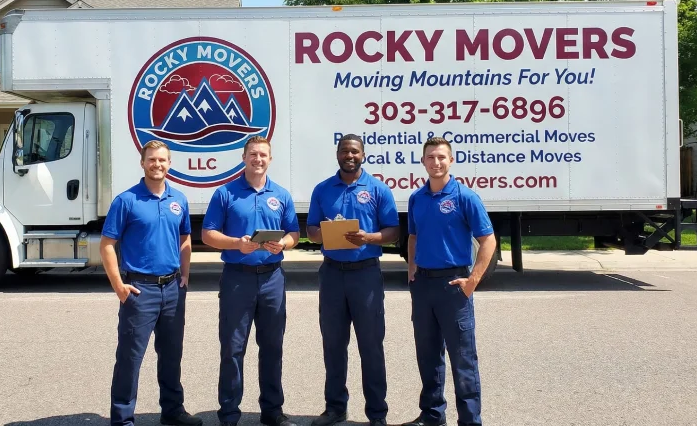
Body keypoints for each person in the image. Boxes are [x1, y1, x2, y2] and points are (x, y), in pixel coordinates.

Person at [100, 140, 202, 426]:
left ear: (169, 164)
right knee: (130, 359)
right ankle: (122, 419)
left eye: (162, 160)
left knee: (171, 355)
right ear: (142, 163)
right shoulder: (126, 200)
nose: (157, 164)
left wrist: (185, 275)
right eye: (152, 160)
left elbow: (184, 239)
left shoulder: (178, 199)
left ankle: (172, 411)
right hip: (139, 290)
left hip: (172, 289)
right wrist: (119, 286)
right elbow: (107, 245)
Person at [201, 135, 301, 426]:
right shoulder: (225, 193)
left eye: (264, 155)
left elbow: (294, 233)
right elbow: (208, 234)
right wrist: (236, 244)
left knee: (272, 347)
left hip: (272, 279)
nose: (259, 159)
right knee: (232, 349)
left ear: (270, 159)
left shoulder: (281, 195)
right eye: (253, 154)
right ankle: (229, 414)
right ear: (244, 158)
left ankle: (272, 412)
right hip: (237, 279)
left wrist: (283, 243)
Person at [306, 134, 399, 426]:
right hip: (332, 274)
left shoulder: (378, 189)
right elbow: (310, 231)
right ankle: (335, 408)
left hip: (366, 275)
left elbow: (393, 232)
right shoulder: (322, 190)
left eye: (354, 151)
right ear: (337, 154)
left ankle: (377, 413)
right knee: (333, 344)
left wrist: (368, 238)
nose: (350, 155)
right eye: (345, 151)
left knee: (371, 345)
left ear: (363, 155)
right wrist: (324, 233)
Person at [403, 137, 496, 426]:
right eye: (430, 157)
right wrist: (411, 270)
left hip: (454, 285)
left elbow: (488, 241)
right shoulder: (417, 198)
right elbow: (413, 237)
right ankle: (432, 415)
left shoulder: (465, 197)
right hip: (424, 286)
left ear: (451, 160)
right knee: (428, 355)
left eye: (442, 157)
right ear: (423, 162)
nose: (436, 162)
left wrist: (472, 280)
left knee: (462, 359)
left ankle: (470, 420)